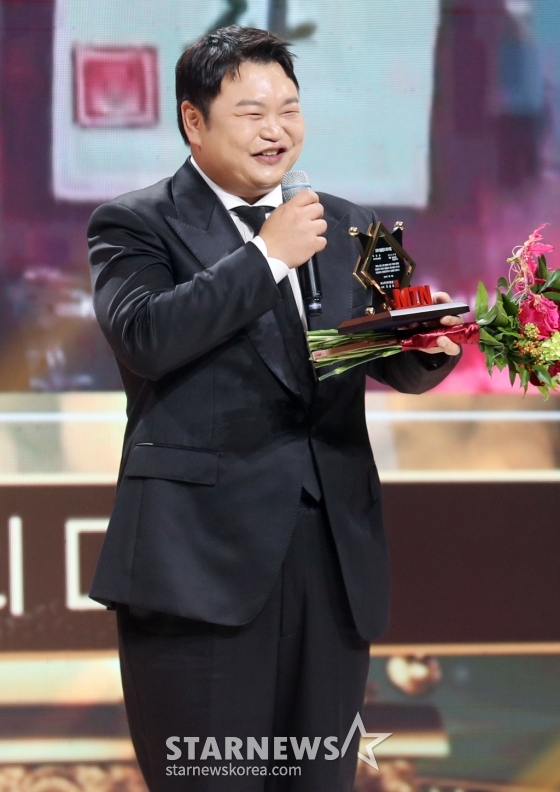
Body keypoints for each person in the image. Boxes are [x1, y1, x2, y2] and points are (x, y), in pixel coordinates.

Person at [87, 25, 461, 792]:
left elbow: (397, 350)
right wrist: (266, 257)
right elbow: (146, 336)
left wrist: (432, 344)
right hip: (201, 570)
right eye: (252, 112)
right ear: (194, 121)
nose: (276, 130)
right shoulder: (134, 223)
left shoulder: (355, 223)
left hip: (332, 561)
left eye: (289, 109)